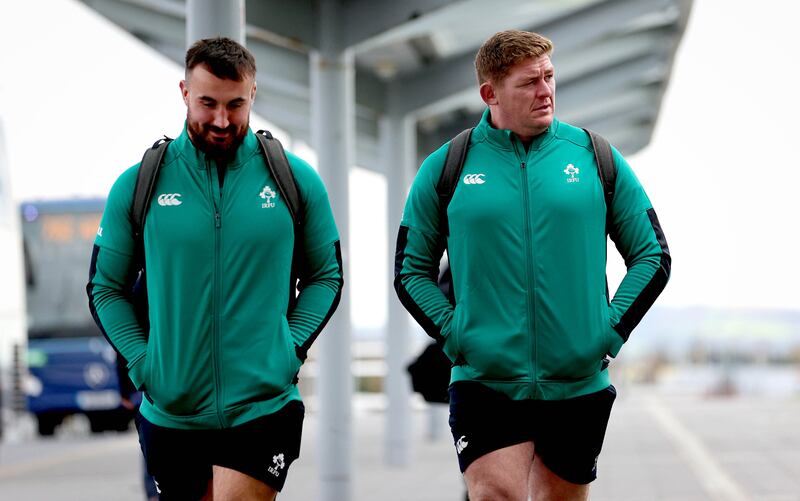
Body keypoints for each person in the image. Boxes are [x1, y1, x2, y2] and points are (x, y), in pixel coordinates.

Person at [394, 30, 670, 501]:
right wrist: (456, 334)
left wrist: (605, 332)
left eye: (549, 77)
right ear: (490, 93)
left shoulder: (595, 158)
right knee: (494, 494)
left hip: (577, 382)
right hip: (485, 381)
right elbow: (409, 269)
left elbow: (653, 255)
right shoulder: (447, 167)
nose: (545, 91)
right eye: (529, 82)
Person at [88, 37, 343, 501]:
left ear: (253, 94)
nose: (222, 120)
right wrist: (145, 364)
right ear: (185, 92)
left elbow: (326, 275)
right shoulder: (140, 184)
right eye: (208, 103)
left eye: (235, 104)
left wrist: (288, 348)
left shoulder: (294, 180)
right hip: (172, 410)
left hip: (263, 405)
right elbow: (106, 287)